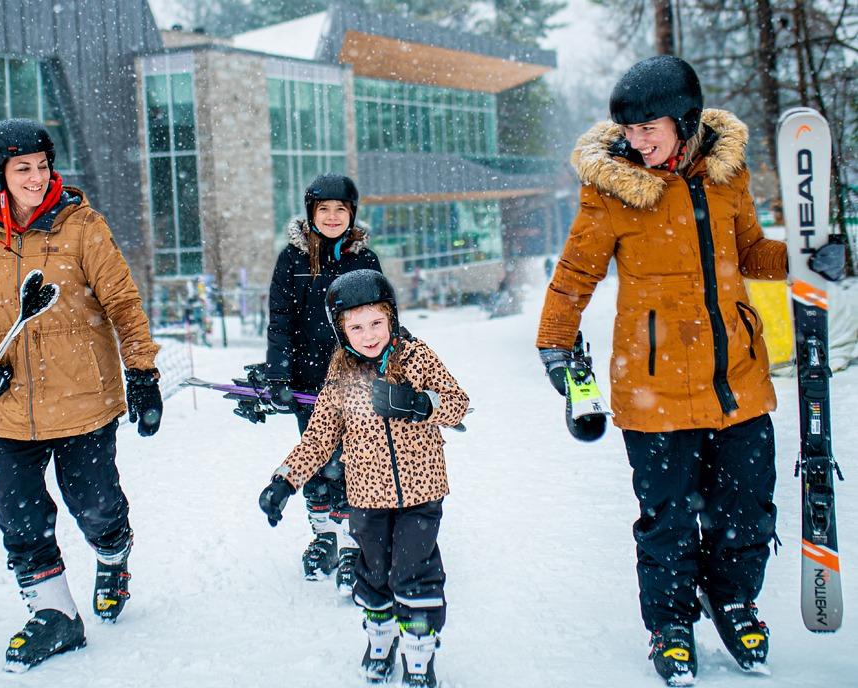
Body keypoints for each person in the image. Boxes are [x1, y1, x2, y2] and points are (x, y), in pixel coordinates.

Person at [535, 56, 845, 685]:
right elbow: (574, 274)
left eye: (650, 128)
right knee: (668, 518)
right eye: (630, 130)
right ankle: (671, 624)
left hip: (738, 376)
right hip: (653, 383)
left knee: (747, 511)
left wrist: (808, 258)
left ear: (684, 120)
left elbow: (751, 252)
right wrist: (555, 345)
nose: (637, 140)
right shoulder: (612, 187)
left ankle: (733, 600)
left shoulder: (727, 175)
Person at [0, 118, 163, 671]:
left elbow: (123, 302)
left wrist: (143, 373)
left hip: (84, 399)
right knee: (19, 517)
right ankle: (55, 615)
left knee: (95, 506)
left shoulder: (82, 227)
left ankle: (113, 552)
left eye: (42, 166)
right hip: (9, 406)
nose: (37, 178)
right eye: (23, 169)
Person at [259, 269, 469, 687]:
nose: (369, 334)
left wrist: (420, 404)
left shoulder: (417, 357)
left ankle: (419, 655)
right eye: (356, 326)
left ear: (391, 317)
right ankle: (380, 639)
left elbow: (458, 405)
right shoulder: (339, 376)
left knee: (415, 575)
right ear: (341, 331)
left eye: (376, 322)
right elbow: (319, 438)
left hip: (421, 494)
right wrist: (284, 481)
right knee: (373, 575)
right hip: (367, 500)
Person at [264, 173, 382, 593]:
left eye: (340, 210)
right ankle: (324, 537)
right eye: (323, 209)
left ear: (352, 214)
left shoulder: (365, 262)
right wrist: (277, 373)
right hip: (307, 382)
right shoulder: (292, 260)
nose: (332, 217)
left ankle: (354, 545)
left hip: (357, 383)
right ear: (311, 213)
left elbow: (385, 324)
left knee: (354, 464)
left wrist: (386, 372)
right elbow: (280, 321)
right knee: (316, 462)